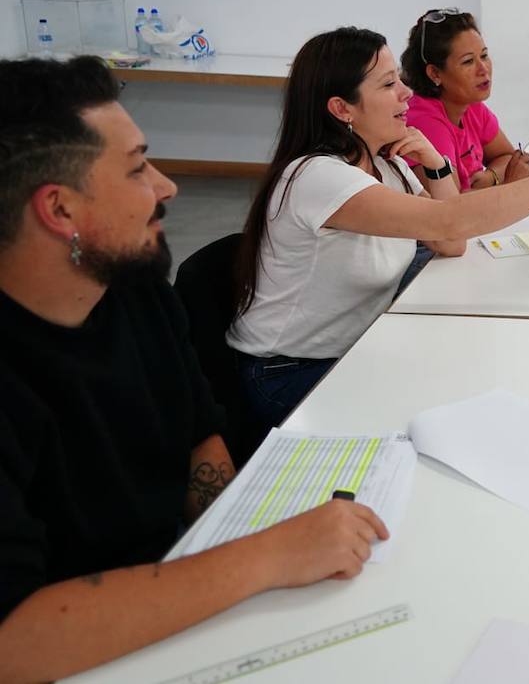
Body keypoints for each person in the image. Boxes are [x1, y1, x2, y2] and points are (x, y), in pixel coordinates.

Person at [0, 56, 391, 682]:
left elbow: (198, 433)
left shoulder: (134, 291)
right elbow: (13, 642)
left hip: (183, 601)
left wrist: (239, 528)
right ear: (60, 209)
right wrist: (262, 557)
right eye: (136, 169)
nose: (166, 186)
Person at [228, 27, 529, 431]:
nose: (406, 93)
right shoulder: (318, 177)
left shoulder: (385, 162)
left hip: (355, 347)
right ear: (343, 109)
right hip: (291, 373)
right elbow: (448, 220)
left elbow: (450, 242)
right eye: (388, 84)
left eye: (399, 78)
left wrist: (434, 163)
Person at [400, 9, 529, 192]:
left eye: (484, 56)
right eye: (468, 61)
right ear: (435, 73)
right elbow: (451, 209)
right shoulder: (426, 123)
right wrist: (510, 185)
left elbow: (507, 157)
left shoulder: (470, 105)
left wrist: (491, 177)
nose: (483, 69)